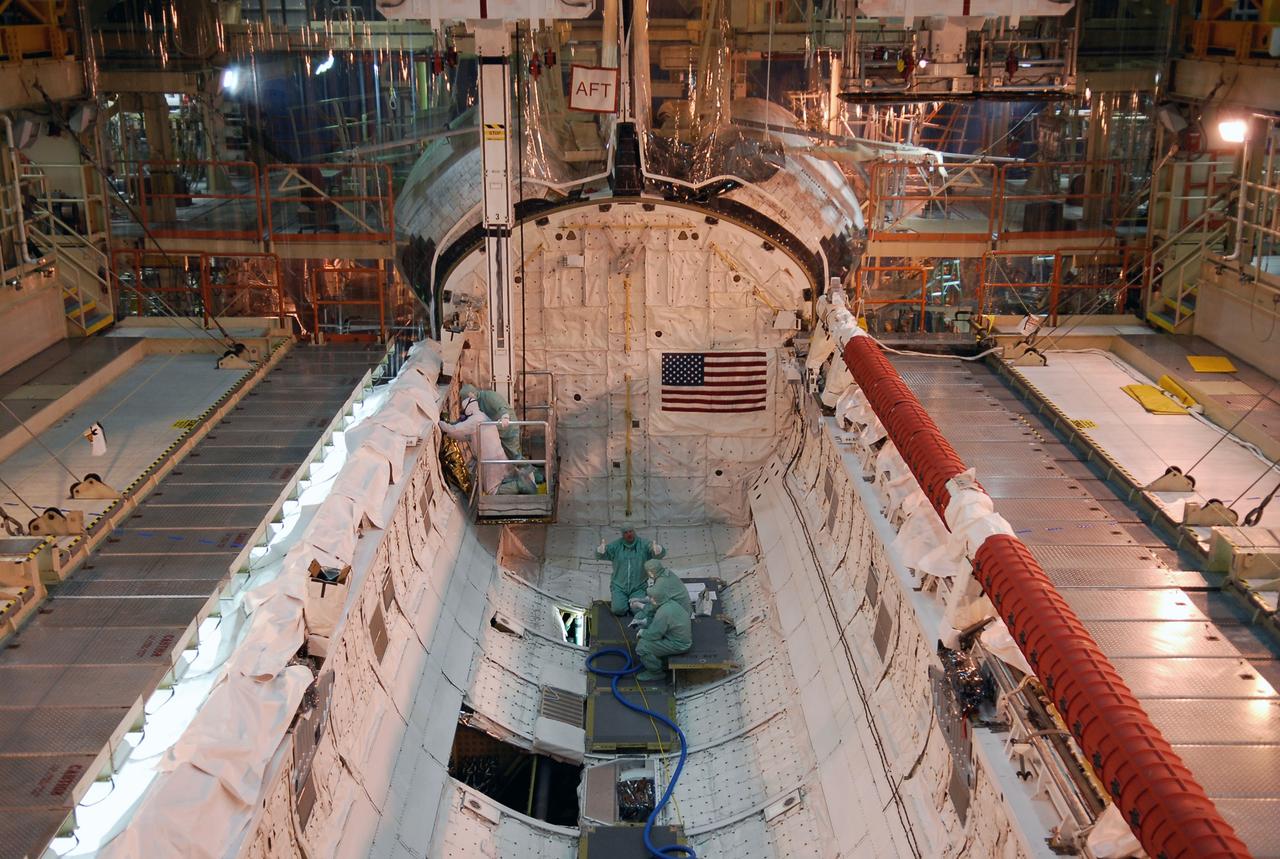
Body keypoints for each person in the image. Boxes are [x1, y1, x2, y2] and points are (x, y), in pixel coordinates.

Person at [634, 573, 693, 682]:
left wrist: (642, 632)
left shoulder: (663, 612)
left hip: (679, 644)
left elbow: (654, 634)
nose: (650, 599)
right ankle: (661, 659)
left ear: (656, 600)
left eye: (651, 598)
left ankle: (656, 672)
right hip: (678, 637)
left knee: (642, 647)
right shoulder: (669, 603)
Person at [596, 528, 665, 615]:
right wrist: (600, 551)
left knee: (638, 610)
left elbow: (654, 551)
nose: (629, 534)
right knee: (618, 610)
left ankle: (632, 605)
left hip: (638, 586)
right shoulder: (617, 545)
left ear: (634, 532)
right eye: (626, 532)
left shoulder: (643, 544)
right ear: (622, 534)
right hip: (619, 586)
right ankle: (624, 604)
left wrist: (659, 550)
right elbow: (603, 553)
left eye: (630, 531)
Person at [459, 384, 521, 460]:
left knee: (514, 454)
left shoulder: (489, 396)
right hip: (495, 430)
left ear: (472, 394)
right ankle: (514, 470)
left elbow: (501, 406)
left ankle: (527, 470)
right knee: (503, 455)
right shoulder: (474, 404)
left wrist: (505, 417)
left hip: (508, 428)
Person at [630, 559, 691, 630]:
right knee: (640, 615)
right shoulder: (667, 573)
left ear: (650, 573)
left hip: (678, 618)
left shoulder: (660, 586)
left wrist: (638, 604)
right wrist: (640, 599)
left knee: (640, 620)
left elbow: (652, 608)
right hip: (684, 609)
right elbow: (658, 597)